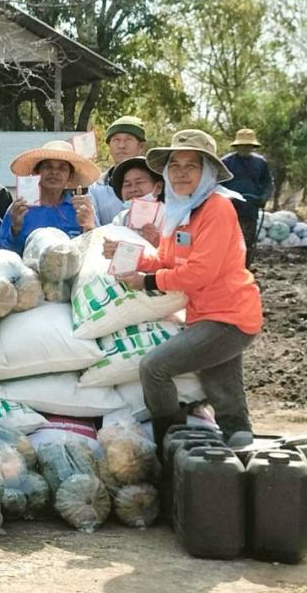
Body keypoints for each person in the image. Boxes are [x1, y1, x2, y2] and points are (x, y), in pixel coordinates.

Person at [103, 129, 262, 448]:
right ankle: (237, 440)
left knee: (154, 368)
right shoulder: (180, 209)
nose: (181, 173)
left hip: (229, 317)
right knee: (221, 387)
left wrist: (146, 281)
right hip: (204, 314)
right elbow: (164, 258)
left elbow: (200, 272)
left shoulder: (217, 207)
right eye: (174, 165)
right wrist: (127, 253)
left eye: (192, 166)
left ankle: (170, 441)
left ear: (209, 172)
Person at [0, 141, 99, 253]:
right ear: (37, 172)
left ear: (70, 177)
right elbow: (3, 254)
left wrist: (89, 227)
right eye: (48, 167)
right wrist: (15, 229)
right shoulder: (20, 208)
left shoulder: (82, 209)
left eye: (62, 168)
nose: (54, 172)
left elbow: (96, 252)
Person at [221, 128, 274, 267]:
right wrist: (225, 199)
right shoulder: (226, 162)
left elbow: (267, 183)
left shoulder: (260, 163)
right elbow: (217, 185)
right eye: (242, 145)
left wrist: (264, 197)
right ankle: (227, 267)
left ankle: (245, 268)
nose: (245, 148)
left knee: (248, 240)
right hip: (230, 208)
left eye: (248, 145)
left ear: (253, 146)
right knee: (227, 240)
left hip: (251, 207)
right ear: (237, 146)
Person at [87, 116, 147, 227]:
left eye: (128, 139)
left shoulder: (155, 182)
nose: (121, 146)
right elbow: (93, 229)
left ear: (141, 146)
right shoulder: (96, 188)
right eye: (116, 140)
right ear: (109, 146)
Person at [107, 155, 164, 233]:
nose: (133, 189)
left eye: (139, 182)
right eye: (127, 185)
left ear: (158, 187)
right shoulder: (121, 219)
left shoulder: (171, 217)